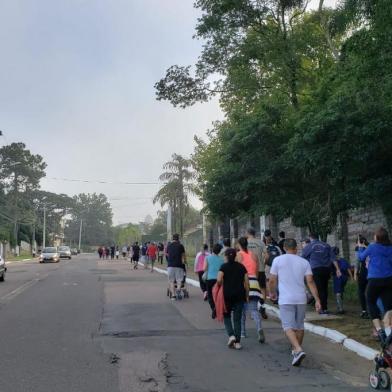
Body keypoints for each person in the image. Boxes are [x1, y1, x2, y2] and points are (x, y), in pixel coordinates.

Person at [269, 238, 321, 367]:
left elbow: (272, 280)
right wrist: (317, 300)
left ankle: (298, 349)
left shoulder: (277, 260)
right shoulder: (304, 262)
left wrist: (272, 292)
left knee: (287, 327)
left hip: (286, 299)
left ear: (284, 248)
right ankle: (296, 351)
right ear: (296, 248)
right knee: (299, 326)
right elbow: (310, 281)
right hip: (301, 298)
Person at [357, 227, 392, 344]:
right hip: (388, 280)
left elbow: (361, 258)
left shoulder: (372, 247)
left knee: (370, 301)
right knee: (388, 306)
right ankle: (388, 331)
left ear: (377, 237)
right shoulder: (390, 248)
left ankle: (379, 330)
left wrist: (361, 248)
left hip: (375, 280)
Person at [217, 248, 249, 350]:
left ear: (226, 256)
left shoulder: (223, 267)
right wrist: (247, 296)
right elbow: (247, 283)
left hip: (227, 296)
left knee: (227, 317)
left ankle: (231, 336)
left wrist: (221, 284)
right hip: (240, 295)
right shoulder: (241, 267)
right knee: (237, 319)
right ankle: (238, 342)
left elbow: (218, 279)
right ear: (235, 256)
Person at [237, 237, 265, 343]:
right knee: (254, 309)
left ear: (239, 244)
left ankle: (242, 332)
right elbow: (257, 271)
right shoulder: (253, 255)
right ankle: (259, 328)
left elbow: (239, 270)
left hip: (244, 282)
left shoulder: (239, 255)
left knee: (241, 309)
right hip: (254, 282)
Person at [301, 233, 335, 315]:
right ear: (318, 237)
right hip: (326, 269)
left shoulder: (309, 246)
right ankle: (325, 307)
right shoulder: (326, 245)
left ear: (310, 238)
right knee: (324, 288)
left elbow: (303, 257)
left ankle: (321, 307)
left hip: (315, 269)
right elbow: (332, 257)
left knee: (319, 288)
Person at [246, 228, 267, 319]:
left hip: (249, 270)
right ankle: (262, 305)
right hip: (260, 269)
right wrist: (263, 263)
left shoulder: (245, 242)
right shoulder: (261, 242)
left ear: (248, 233)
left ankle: (252, 309)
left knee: (250, 289)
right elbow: (267, 255)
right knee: (262, 288)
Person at [204, 243, 224, 319]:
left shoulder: (207, 258)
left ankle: (214, 308)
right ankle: (217, 308)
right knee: (218, 295)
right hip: (218, 279)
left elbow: (204, 269)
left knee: (210, 296)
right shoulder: (221, 259)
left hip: (209, 279)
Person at [331, 246, 352, 314]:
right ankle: (340, 307)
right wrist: (351, 277)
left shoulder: (333, 261)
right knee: (341, 291)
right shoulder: (343, 260)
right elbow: (348, 269)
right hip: (344, 278)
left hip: (338, 277)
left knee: (338, 293)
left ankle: (340, 309)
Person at [167, 234, 186, 300]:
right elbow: (183, 256)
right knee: (179, 280)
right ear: (178, 239)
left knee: (171, 281)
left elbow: (167, 254)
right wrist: (185, 262)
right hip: (179, 265)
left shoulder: (169, 246)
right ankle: (178, 289)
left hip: (170, 265)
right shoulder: (181, 246)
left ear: (173, 238)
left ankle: (173, 296)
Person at [355, 235, 370, 318]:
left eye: (357, 242)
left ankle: (365, 311)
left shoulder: (359, 249)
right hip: (372, 273)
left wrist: (355, 273)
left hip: (363, 273)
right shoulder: (370, 247)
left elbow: (358, 261)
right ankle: (371, 310)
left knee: (361, 291)